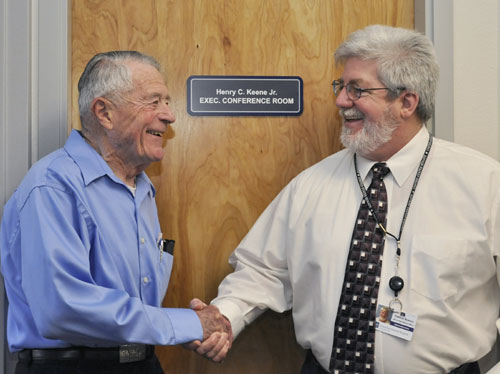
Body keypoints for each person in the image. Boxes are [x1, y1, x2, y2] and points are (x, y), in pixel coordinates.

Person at [189, 25, 500, 374]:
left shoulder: (484, 184)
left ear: (406, 102)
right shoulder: (310, 186)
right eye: (341, 87)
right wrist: (226, 316)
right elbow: (262, 270)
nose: (340, 101)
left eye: (357, 89)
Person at [0, 51, 231, 374]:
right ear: (104, 112)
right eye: (153, 101)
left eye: (167, 101)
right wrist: (183, 324)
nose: (169, 115)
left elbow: (136, 307)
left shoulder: (142, 189)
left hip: (141, 363)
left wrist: (189, 327)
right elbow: (63, 309)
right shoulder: (53, 186)